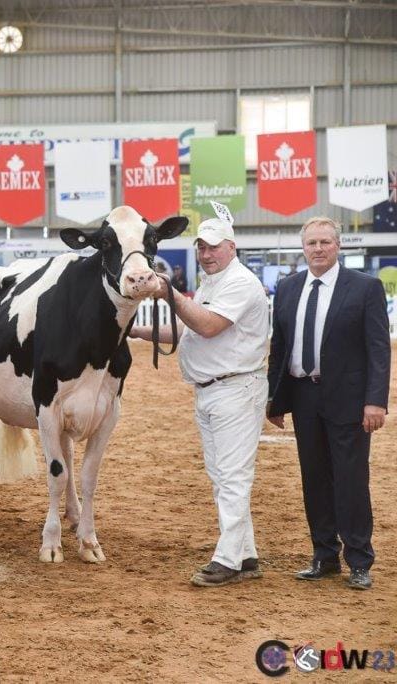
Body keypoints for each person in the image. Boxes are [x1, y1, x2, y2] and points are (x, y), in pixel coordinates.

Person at [131, 217, 269, 587]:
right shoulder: (214, 282)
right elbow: (189, 330)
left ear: (231, 247)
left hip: (235, 390)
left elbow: (208, 326)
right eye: (202, 248)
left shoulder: (240, 282)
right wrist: (135, 330)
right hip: (213, 390)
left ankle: (227, 560)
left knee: (232, 477)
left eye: (213, 247)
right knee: (223, 477)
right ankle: (245, 554)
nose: (207, 254)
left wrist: (170, 293)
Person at [267, 217, 390, 591]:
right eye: (311, 243)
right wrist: (275, 399)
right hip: (304, 396)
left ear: (338, 246)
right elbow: (280, 348)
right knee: (314, 478)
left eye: (324, 242)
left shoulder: (365, 288)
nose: (318, 249)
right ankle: (323, 555)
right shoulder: (287, 289)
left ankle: (359, 560)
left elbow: (379, 349)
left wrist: (375, 401)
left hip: (350, 401)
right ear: (302, 248)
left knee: (351, 480)